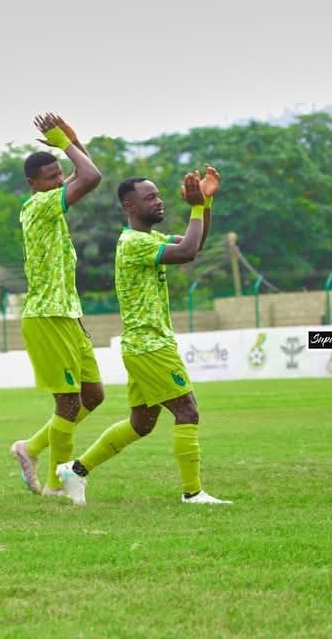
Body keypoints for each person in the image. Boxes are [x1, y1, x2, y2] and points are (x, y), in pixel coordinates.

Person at [57, 168, 231, 506]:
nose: (159, 200)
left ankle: (75, 471)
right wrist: (196, 207)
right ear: (129, 205)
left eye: (159, 194)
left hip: (143, 344)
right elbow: (188, 253)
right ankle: (192, 493)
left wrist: (205, 203)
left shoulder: (148, 239)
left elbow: (192, 244)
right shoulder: (134, 242)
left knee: (141, 424)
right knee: (188, 412)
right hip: (150, 345)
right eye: (150, 197)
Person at [8, 114, 104, 498]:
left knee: (92, 396)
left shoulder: (51, 201)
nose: (58, 181)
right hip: (47, 314)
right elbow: (92, 178)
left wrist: (72, 140)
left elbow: (86, 175)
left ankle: (29, 448)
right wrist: (64, 142)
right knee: (67, 402)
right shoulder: (40, 206)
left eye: (59, 175)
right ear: (33, 184)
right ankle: (55, 487)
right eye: (51, 178)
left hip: (67, 312)